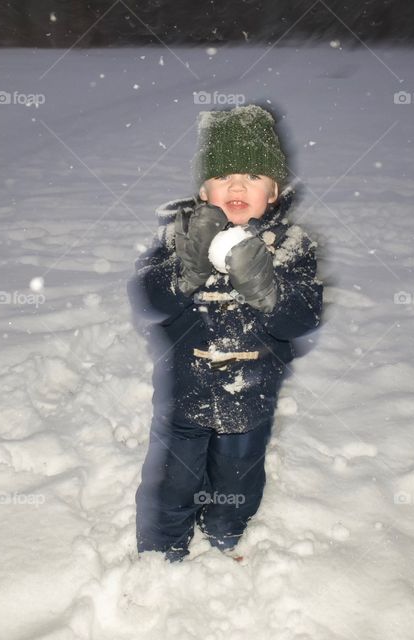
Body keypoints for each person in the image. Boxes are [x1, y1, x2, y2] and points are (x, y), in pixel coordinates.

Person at [128, 104, 323, 561]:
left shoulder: (291, 246)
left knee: (238, 474)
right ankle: (162, 547)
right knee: (173, 478)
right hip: (185, 393)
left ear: (274, 191)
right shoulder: (177, 237)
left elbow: (305, 317)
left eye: (254, 177)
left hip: (251, 397)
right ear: (203, 188)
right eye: (225, 175)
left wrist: (269, 291)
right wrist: (183, 271)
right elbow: (151, 300)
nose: (237, 185)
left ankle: (225, 531)